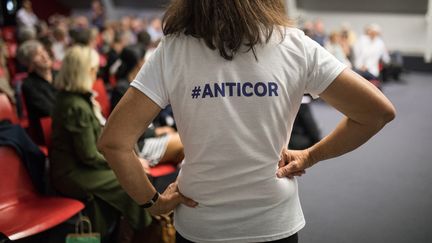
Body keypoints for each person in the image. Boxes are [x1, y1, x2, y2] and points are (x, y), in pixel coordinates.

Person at [98, 1, 396, 242]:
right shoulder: (294, 45)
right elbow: (376, 113)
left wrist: (153, 203)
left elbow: (114, 143)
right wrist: (310, 156)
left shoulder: (174, 50)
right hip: (273, 221)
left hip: (201, 223)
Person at [50, 45, 151, 240]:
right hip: (72, 171)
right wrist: (126, 164)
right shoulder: (74, 105)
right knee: (129, 181)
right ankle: (145, 232)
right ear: (83, 72)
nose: (97, 75)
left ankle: (131, 231)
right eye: (94, 70)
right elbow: (88, 155)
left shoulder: (74, 99)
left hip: (82, 165)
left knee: (132, 176)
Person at [16, 40, 57, 144]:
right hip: (50, 132)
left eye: (43, 51)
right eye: (37, 55)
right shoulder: (29, 85)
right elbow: (50, 111)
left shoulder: (59, 74)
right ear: (29, 64)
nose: (44, 56)